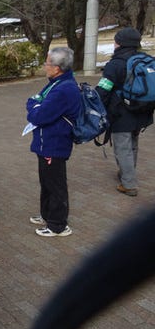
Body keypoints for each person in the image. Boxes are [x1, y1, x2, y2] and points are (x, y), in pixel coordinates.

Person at [25, 46, 81, 237]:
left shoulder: (64, 89)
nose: (45, 66)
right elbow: (33, 100)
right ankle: (46, 214)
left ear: (57, 67)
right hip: (46, 142)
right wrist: (35, 104)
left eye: (47, 63)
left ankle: (58, 225)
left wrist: (35, 105)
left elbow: (38, 115)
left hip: (55, 143)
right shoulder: (55, 83)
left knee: (55, 184)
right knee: (46, 181)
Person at [95, 27, 153, 197]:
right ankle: (128, 173)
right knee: (133, 144)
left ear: (119, 43)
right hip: (143, 110)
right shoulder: (146, 60)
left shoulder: (116, 64)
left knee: (123, 148)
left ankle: (128, 183)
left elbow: (104, 89)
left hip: (121, 112)